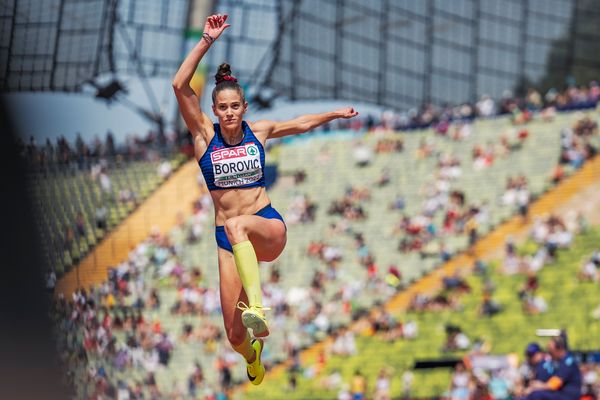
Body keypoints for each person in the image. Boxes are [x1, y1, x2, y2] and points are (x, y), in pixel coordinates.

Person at [172, 13, 358, 385]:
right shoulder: (203, 138)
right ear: (214, 111)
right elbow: (180, 85)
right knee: (233, 332)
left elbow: (301, 123)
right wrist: (206, 41)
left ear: (244, 109)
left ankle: (258, 305)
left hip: (266, 226)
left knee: (239, 222)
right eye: (222, 108)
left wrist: (334, 114)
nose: (228, 113)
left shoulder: (260, 131)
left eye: (234, 107)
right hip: (227, 241)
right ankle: (253, 354)